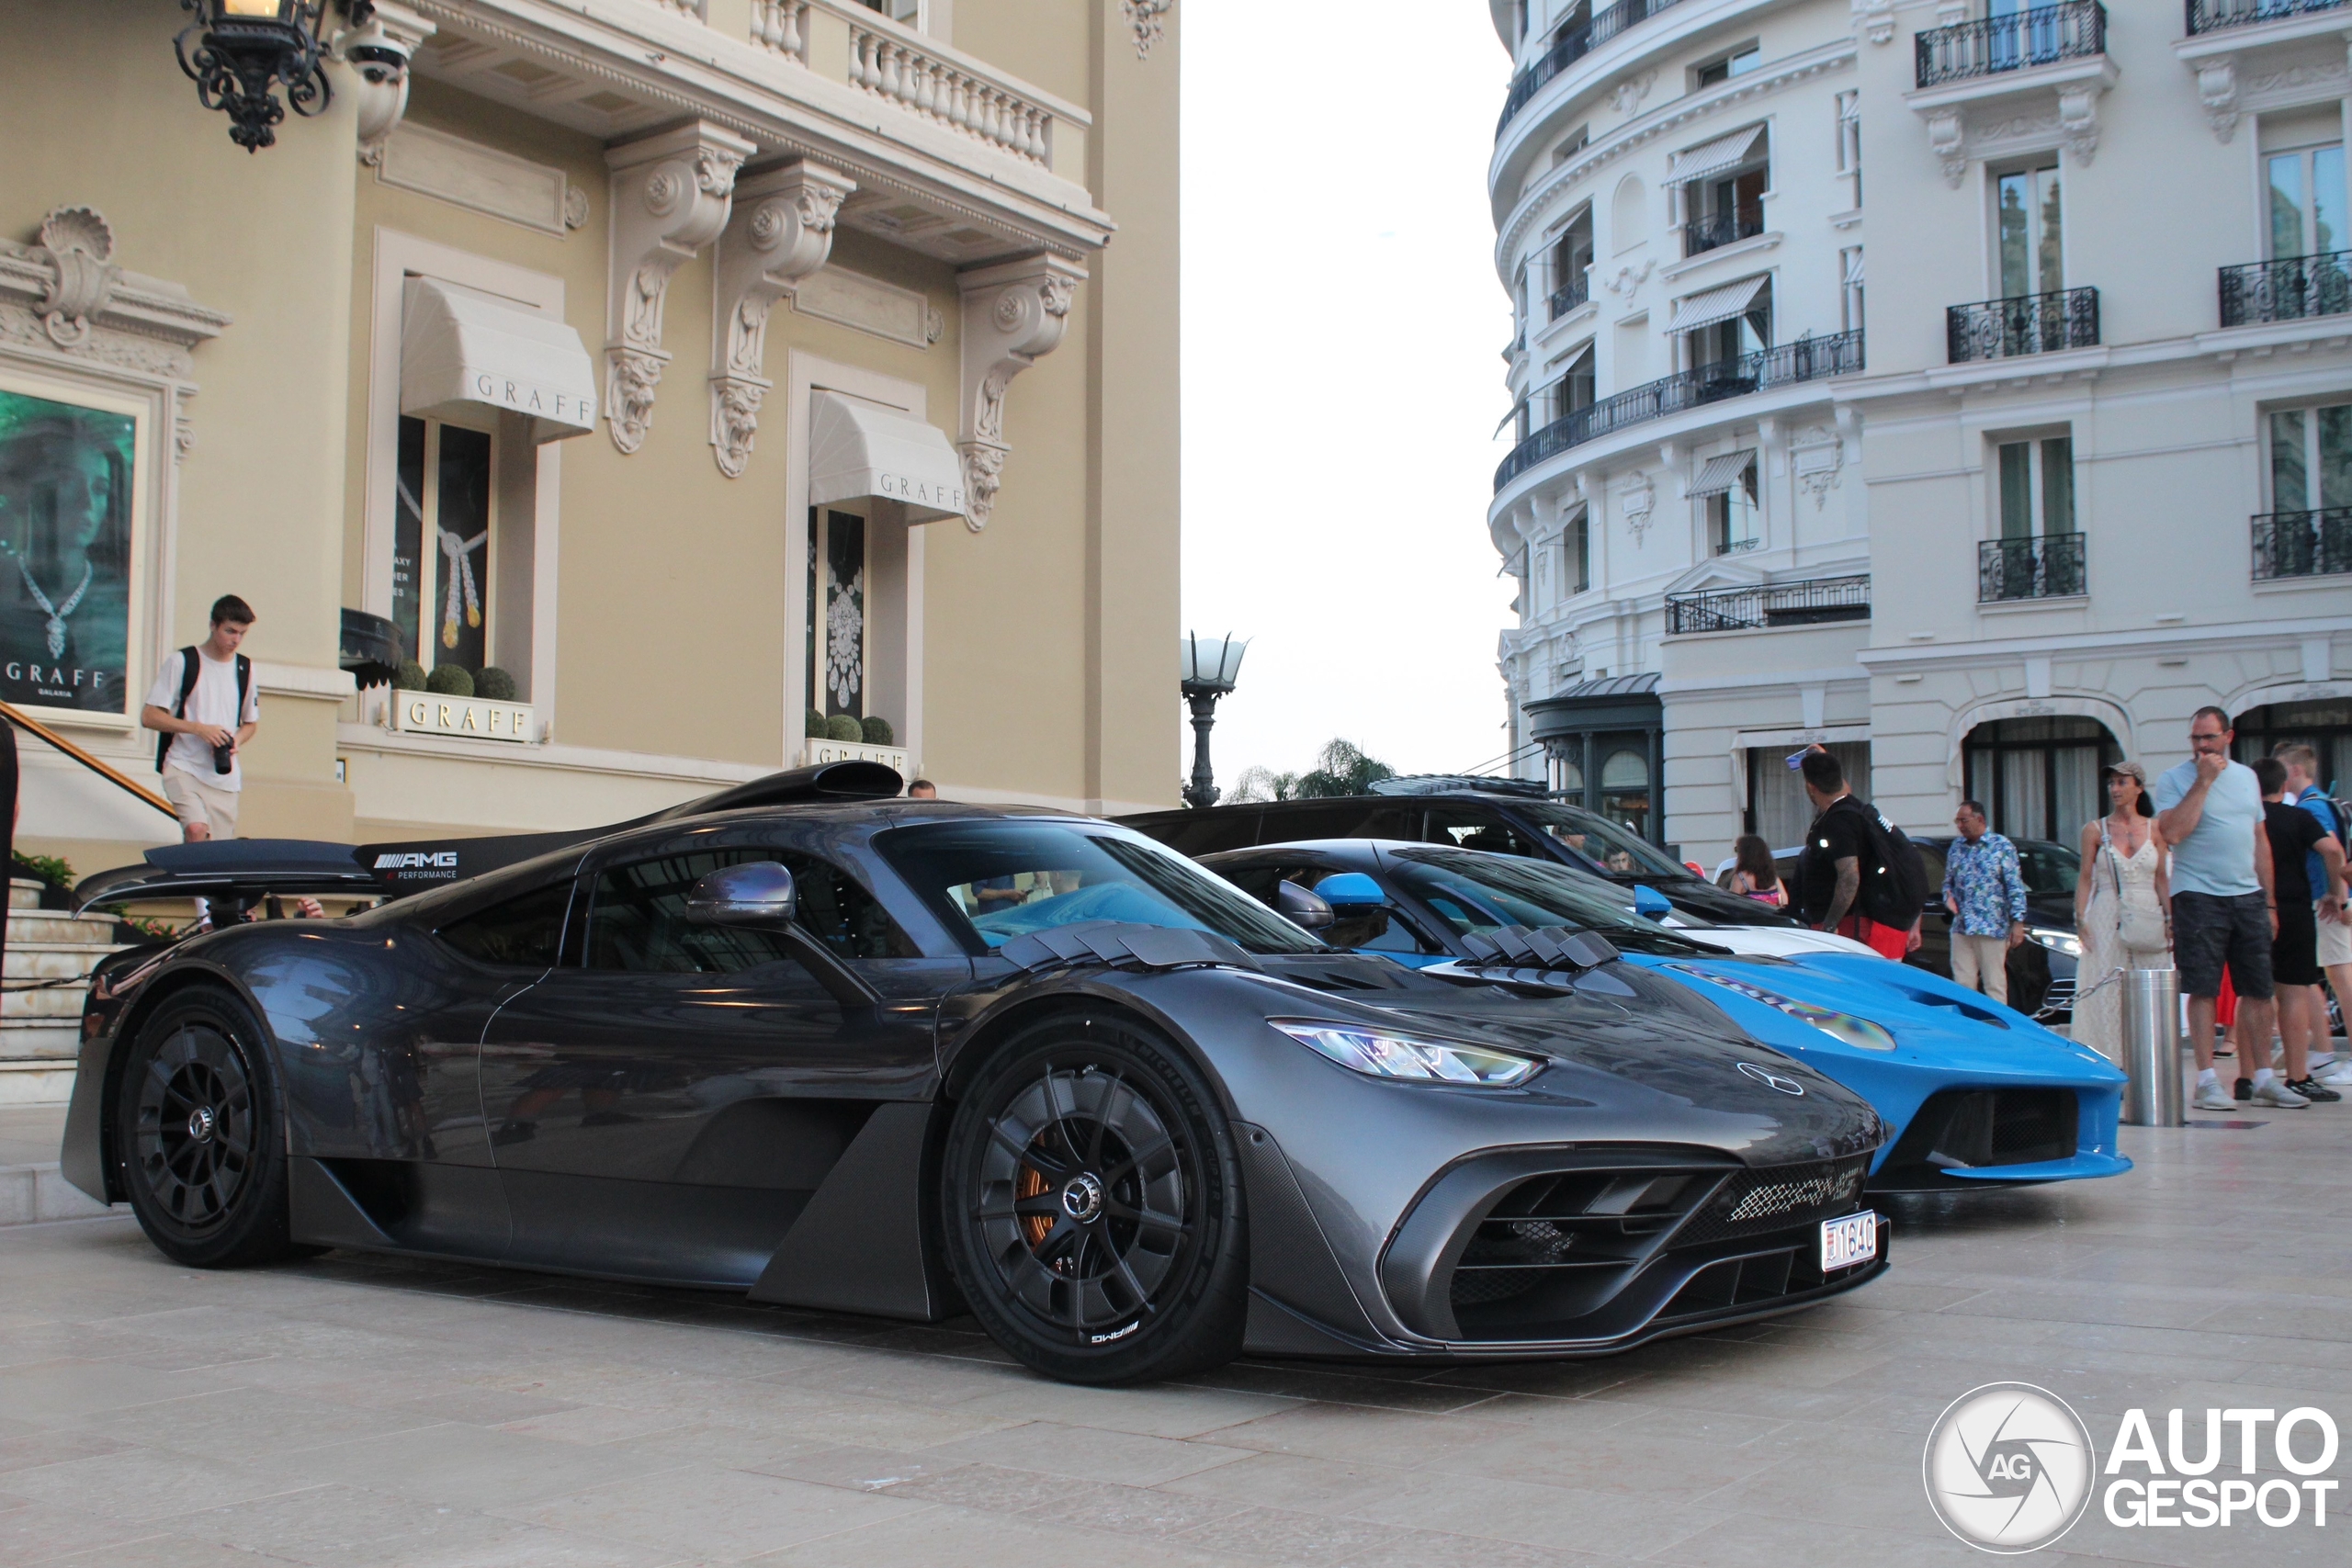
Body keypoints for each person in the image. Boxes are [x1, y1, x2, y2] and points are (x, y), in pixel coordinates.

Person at [2155, 707, 2295, 1110]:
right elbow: (2173, 833)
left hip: (2247, 894)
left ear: (2228, 737)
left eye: (2209, 738)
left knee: (2258, 988)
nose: (2202, 746)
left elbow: (2259, 838)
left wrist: (2269, 900)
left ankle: (2265, 1076)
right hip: (2197, 894)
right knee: (2202, 988)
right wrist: (2203, 783)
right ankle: (2205, 1079)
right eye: (2196, 738)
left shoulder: (2248, 778)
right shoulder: (2175, 779)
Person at [2255, 755, 2344, 1101]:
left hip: (2253, 907)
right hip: (2294, 909)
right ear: (2282, 785)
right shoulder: (2300, 817)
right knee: (2293, 993)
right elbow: (2333, 850)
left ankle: (2250, 1076)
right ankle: (2297, 1075)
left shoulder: (2248, 820)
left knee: (2254, 995)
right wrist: (2335, 893)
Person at [2071, 762, 2171, 1064]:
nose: (2115, 789)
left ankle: (2147, 1065)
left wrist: (2170, 918)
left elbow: (2162, 878)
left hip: (2147, 912)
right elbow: (2085, 877)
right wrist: (2080, 917)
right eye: (2112, 783)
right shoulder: (2095, 829)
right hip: (2107, 912)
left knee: (2148, 989)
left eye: (2122, 782)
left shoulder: (2155, 829)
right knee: (2107, 989)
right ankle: (2109, 1062)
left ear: (2138, 787)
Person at [139, 595, 257, 845]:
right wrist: (198, 729)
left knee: (216, 858)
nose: (235, 639)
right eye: (230, 631)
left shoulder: (245, 668)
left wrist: (234, 741)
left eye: (242, 633)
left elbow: (250, 723)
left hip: (224, 777)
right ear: (213, 625)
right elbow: (149, 716)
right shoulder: (182, 661)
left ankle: (189, 883)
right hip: (183, 765)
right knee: (195, 829)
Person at [1793, 748, 1917, 960]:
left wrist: (1830, 927)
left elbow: (1849, 877)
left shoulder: (1839, 821)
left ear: (1810, 787)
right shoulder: (1856, 809)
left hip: (1856, 929)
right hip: (1880, 927)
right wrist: (1825, 759)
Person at [2277, 743, 2352, 1087]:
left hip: (2325, 905)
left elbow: (2333, 849)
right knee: (2315, 980)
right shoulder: (2322, 802)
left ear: (2294, 770)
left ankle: (2333, 1057)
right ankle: (2323, 1055)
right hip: (2328, 902)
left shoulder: (2312, 808)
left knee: (2341, 979)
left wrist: (2336, 896)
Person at [1943, 800, 2030, 1004]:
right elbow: (1948, 881)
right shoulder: (1956, 847)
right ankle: (1968, 1026)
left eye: (1964, 820)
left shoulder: (2001, 846)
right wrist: (1948, 897)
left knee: (1994, 983)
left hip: (1991, 924)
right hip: (1962, 925)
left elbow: (2014, 885)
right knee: (1963, 982)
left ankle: (1997, 1028)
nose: (1960, 826)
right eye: (1957, 821)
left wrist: (2018, 921)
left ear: (1979, 819)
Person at [1728, 834, 1786, 908]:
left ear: (1745, 853)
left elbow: (1732, 904)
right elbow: (1784, 901)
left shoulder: (1740, 878)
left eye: (1737, 850)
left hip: (1750, 919)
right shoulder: (1772, 876)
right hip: (1773, 919)